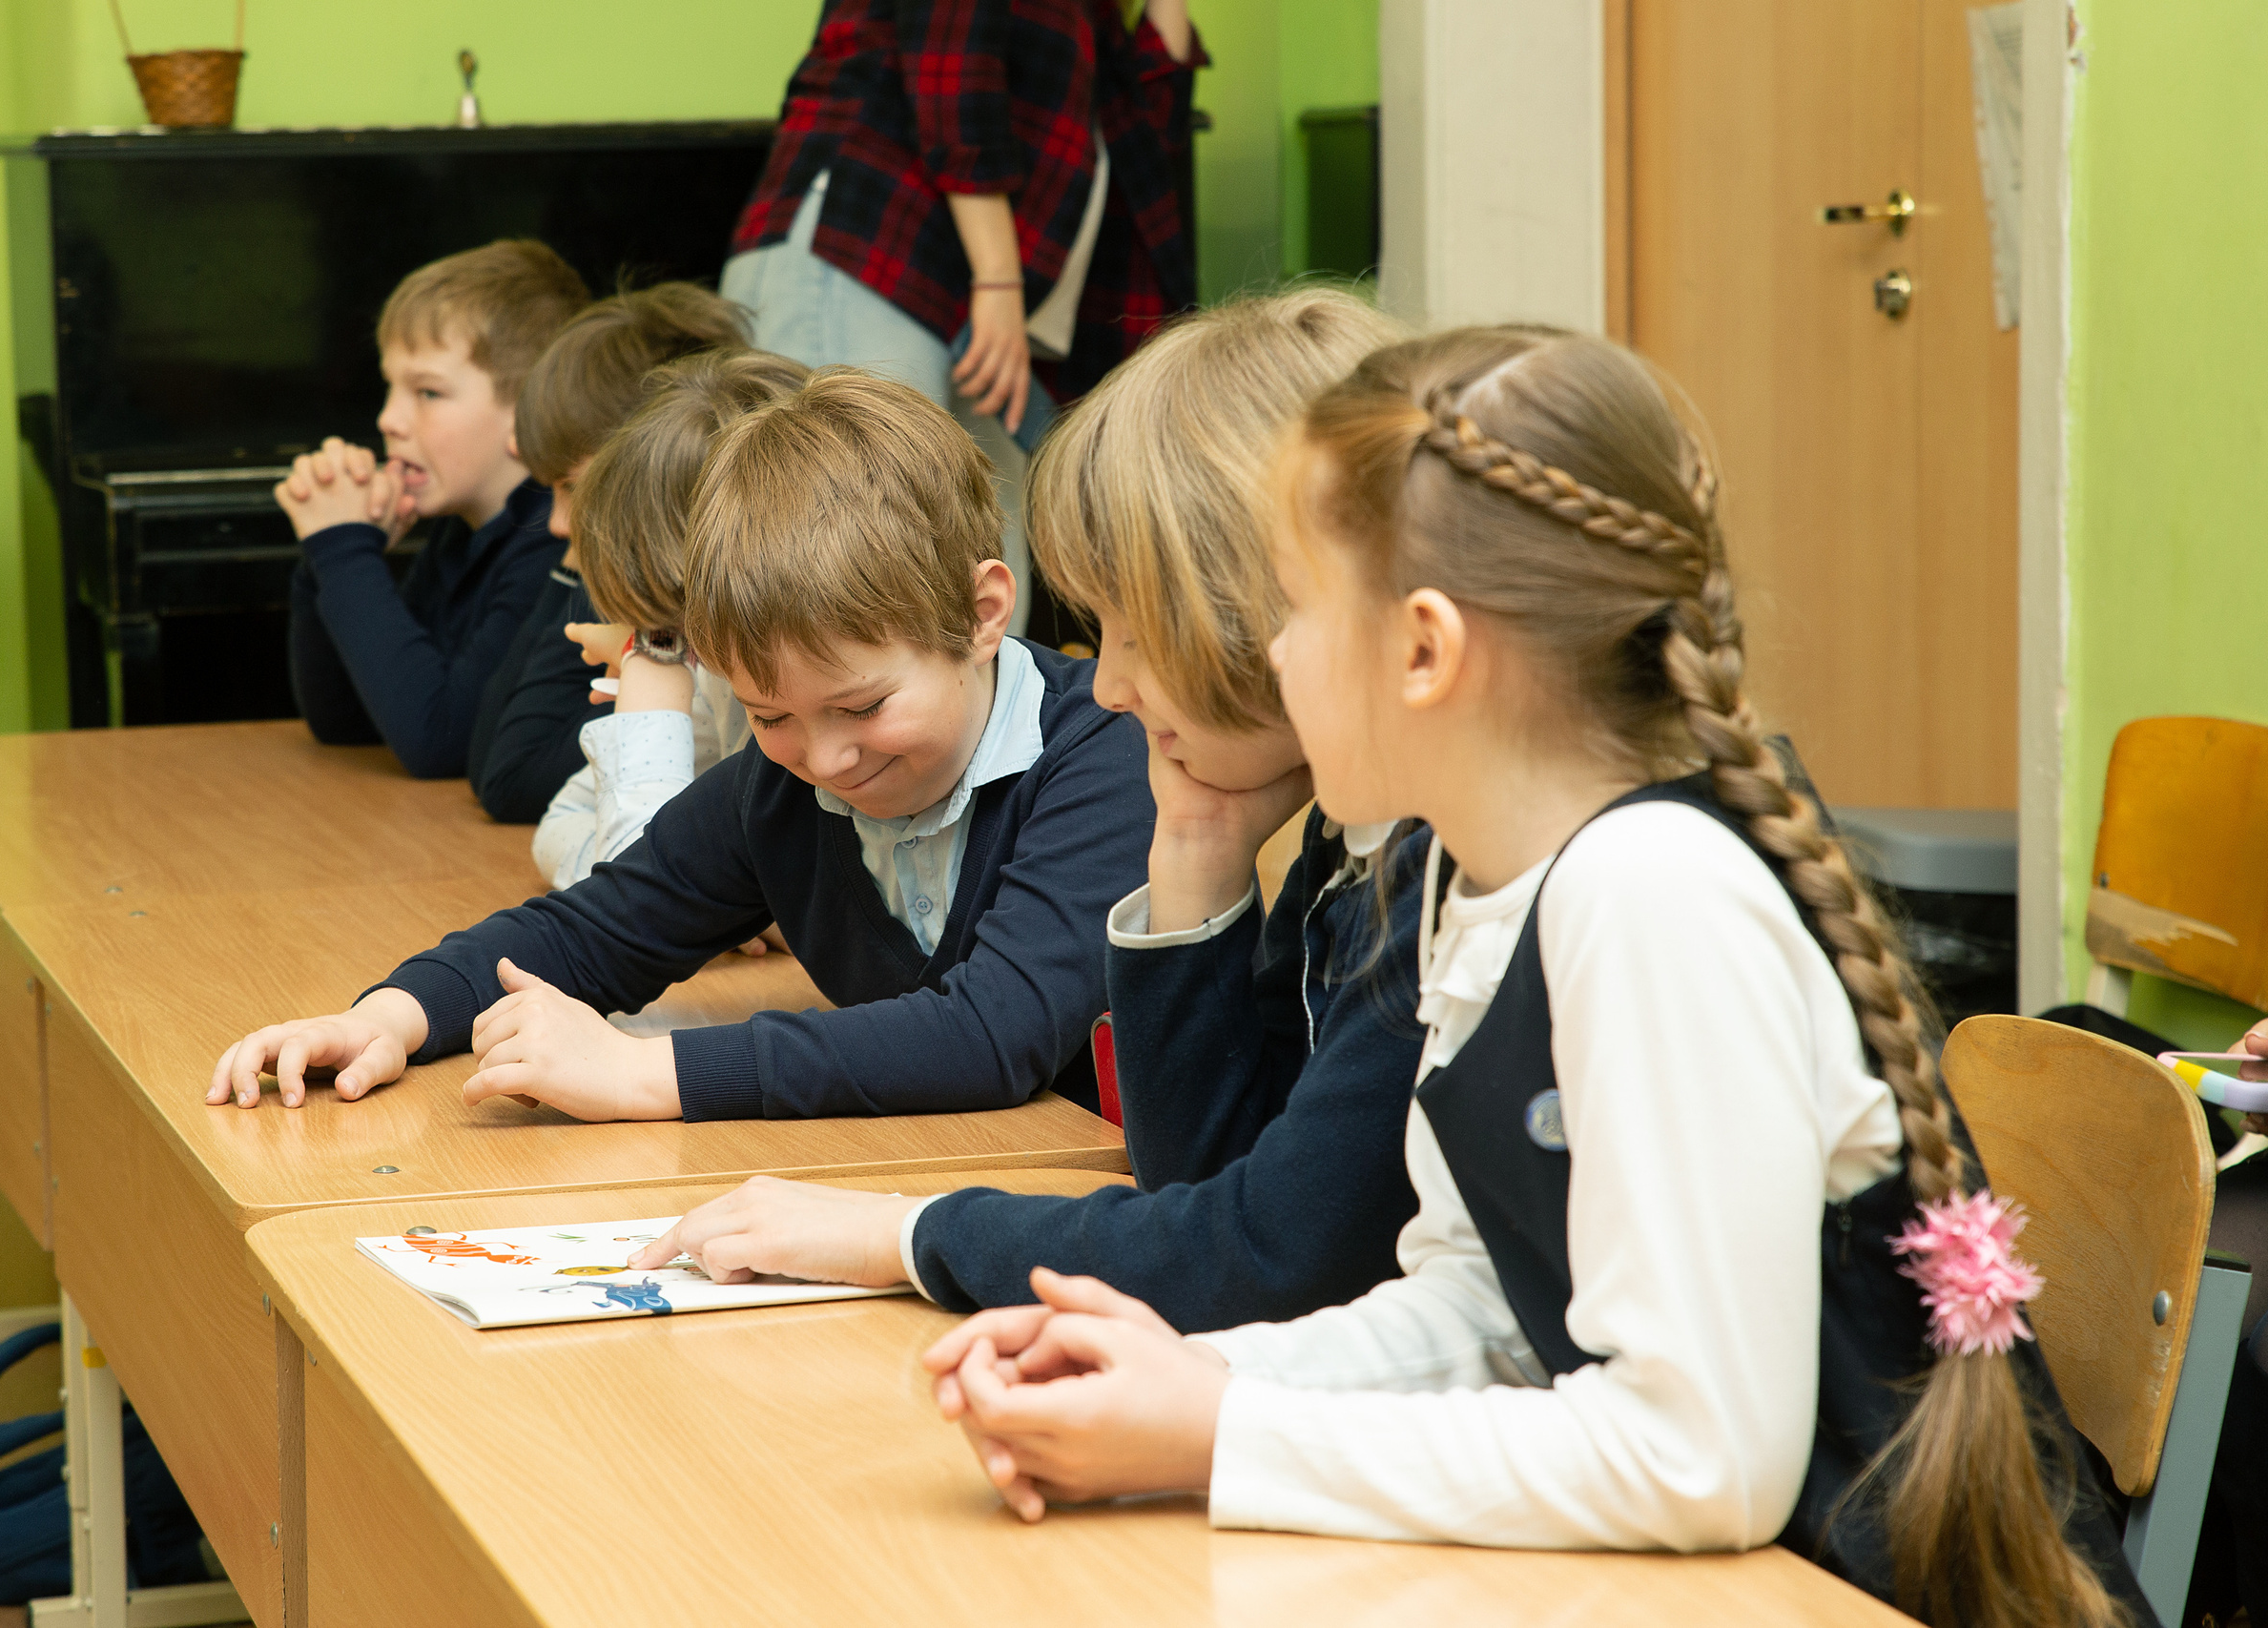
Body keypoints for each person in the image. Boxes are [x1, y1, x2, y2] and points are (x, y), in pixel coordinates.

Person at [920, 328, 2154, 1628]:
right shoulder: (1475, 878)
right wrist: (1175, 1371)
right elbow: (1481, 1312)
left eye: (1291, 608)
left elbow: (1697, 1462)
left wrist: (1225, 1430)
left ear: (1424, 651)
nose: (1269, 659)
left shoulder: (1653, 893)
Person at [625, 291, 1421, 1331]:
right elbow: (1203, 1174)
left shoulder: (1435, 868)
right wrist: (1196, 844)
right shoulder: (1347, 840)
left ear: (1265, 613)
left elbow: (1265, 1253)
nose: (1108, 686)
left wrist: (896, 1235)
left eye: (1136, 631)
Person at [206, 369, 1153, 1123]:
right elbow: (588, 931)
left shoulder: (1103, 757)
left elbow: (989, 1039)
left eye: (861, 706)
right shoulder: (775, 793)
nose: (823, 760)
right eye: (770, 716)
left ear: (983, 614)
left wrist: (644, 1073)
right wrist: (384, 1018)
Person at [720, 0, 1205, 629]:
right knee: (835, 566)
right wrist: (999, 280)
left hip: (974, 282)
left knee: (984, 573)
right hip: (870, 242)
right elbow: (953, 70)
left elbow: (1142, 127)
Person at [280, 239, 587, 777]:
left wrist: (344, 551)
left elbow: (441, 742)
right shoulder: (460, 529)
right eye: (390, 387)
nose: (387, 420)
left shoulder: (554, 540)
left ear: (528, 414)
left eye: (427, 392)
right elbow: (346, 721)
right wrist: (328, 554)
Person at [464, 282, 753, 823]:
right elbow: (488, 764)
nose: (553, 523)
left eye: (574, 488)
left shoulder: (698, 637)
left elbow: (513, 779)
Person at [530, 349, 811, 891]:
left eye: (673, 627)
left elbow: (637, 893)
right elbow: (562, 827)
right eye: (668, 634)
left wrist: (649, 666)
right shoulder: (709, 676)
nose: (687, 651)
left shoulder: (826, 698)